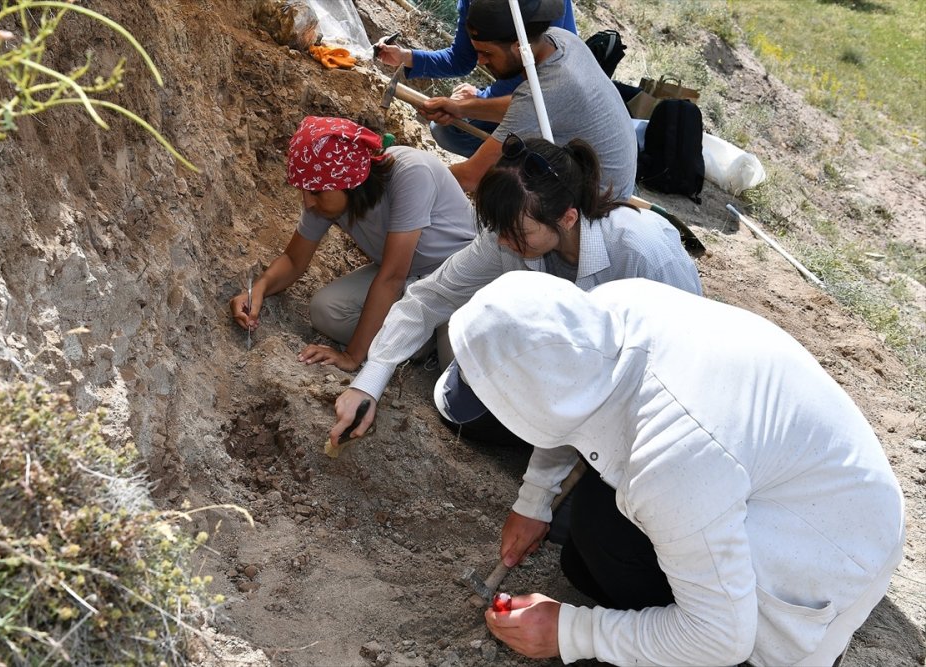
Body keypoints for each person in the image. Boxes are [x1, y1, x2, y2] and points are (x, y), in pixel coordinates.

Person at [447, 271, 905, 666]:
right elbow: (566, 407)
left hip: (827, 553)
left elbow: (722, 637)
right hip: (782, 477)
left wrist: (572, 633)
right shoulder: (607, 311)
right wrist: (533, 501)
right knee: (588, 549)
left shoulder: (674, 460)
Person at [329, 135, 700, 444]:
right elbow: (429, 298)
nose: (504, 243)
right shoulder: (507, 236)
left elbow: (686, 357)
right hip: (558, 364)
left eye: (518, 233)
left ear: (567, 218)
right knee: (461, 410)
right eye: (498, 228)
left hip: (634, 387)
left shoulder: (643, 253)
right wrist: (369, 382)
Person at [229, 116, 475, 371]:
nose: (308, 202)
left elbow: (392, 277)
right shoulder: (328, 196)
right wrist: (258, 289)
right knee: (327, 310)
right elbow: (293, 260)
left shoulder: (411, 173)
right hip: (410, 274)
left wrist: (352, 356)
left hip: (458, 276)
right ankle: (421, 344)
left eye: (315, 191)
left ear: (349, 181)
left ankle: (425, 338)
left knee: (458, 365)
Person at [415, 0, 637, 196]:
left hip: (595, 208)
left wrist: (409, 175)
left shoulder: (553, 85)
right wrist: (462, 108)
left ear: (519, 48)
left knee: (498, 193)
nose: (481, 61)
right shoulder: (561, 40)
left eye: (487, 53)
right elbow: (527, 105)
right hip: (599, 179)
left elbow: (470, 177)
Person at [374, 0, 577, 158]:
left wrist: (480, 98)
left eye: (487, 54)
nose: (481, 61)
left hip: (551, 104)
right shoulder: (472, 3)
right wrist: (406, 57)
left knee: (532, 150)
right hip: (522, 88)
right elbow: (461, 58)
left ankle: (520, 172)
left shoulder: (540, 10)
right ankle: (504, 165)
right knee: (448, 129)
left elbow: (535, 73)